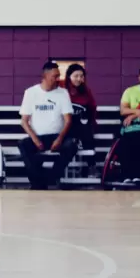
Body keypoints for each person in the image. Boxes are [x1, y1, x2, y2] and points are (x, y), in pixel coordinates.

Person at [18, 62, 77, 190]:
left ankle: (50, 177)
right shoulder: (30, 93)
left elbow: (68, 120)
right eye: (54, 76)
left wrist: (59, 139)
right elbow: (24, 121)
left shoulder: (63, 93)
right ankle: (39, 182)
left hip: (56, 137)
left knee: (71, 145)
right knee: (23, 145)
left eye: (58, 76)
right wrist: (35, 139)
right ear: (45, 76)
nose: (57, 79)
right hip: (37, 137)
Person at [61, 63, 97, 151]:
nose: (79, 79)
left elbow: (92, 108)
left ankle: (91, 163)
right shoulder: (61, 90)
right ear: (69, 76)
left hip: (81, 125)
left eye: (81, 76)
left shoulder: (86, 91)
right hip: (63, 124)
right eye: (76, 76)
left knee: (85, 128)